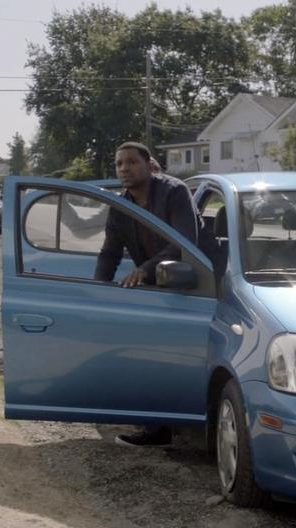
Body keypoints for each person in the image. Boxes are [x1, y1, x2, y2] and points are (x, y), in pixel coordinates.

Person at [94, 141, 200, 447]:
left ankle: (168, 425)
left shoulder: (174, 191)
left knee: (175, 357)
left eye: (131, 162)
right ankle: (157, 428)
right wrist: (97, 291)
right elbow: (109, 252)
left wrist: (145, 269)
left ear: (148, 164)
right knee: (149, 355)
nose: (124, 169)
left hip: (190, 283)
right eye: (119, 164)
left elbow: (185, 242)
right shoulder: (121, 206)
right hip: (153, 289)